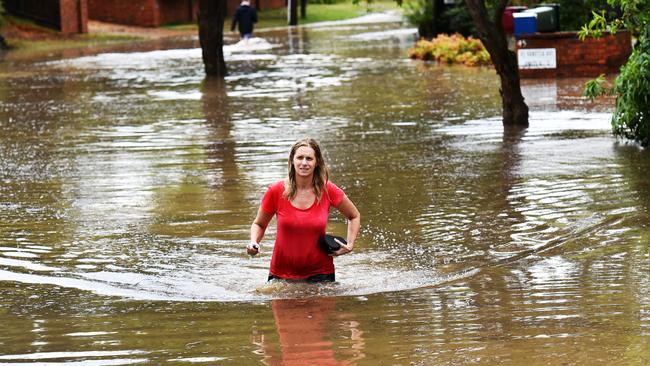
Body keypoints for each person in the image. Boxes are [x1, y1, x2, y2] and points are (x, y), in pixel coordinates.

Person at [246, 138, 361, 282]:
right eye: (300, 157)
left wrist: (350, 244)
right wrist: (253, 242)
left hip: (321, 274)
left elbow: (354, 215)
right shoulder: (275, 191)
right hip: (281, 274)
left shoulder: (328, 189)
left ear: (317, 162)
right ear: (292, 160)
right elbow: (259, 224)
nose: (304, 163)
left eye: (309, 158)